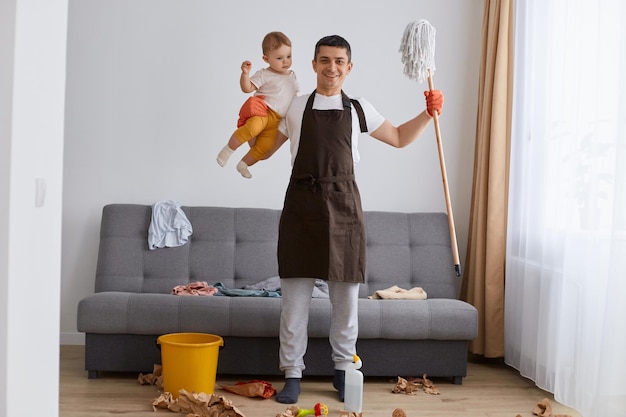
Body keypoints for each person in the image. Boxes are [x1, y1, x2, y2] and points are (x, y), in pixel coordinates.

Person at [264, 34, 444, 404]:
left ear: (349, 66)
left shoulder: (360, 107)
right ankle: (293, 374)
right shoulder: (295, 106)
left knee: (345, 300)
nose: (332, 67)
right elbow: (268, 146)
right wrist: (245, 132)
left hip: (344, 209)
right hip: (300, 209)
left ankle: (344, 370)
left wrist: (428, 114)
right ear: (313, 64)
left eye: (339, 61)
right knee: (293, 302)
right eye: (325, 60)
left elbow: (397, 137)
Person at [216, 31, 300, 178]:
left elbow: (295, 96)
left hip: (276, 120)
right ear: (266, 59)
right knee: (252, 128)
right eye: (279, 58)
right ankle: (228, 150)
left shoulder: (292, 75)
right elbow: (247, 88)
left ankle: (243, 164)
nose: (285, 61)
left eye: (289, 56)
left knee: (265, 147)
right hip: (263, 112)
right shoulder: (264, 74)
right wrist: (245, 74)